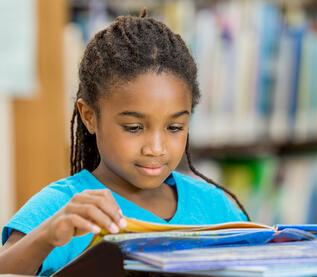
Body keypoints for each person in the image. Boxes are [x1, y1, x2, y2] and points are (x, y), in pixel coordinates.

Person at [0, 10, 250, 276]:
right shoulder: (64, 208)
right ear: (89, 117)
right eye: (134, 128)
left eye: (175, 128)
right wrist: (46, 236)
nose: (156, 148)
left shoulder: (215, 205)